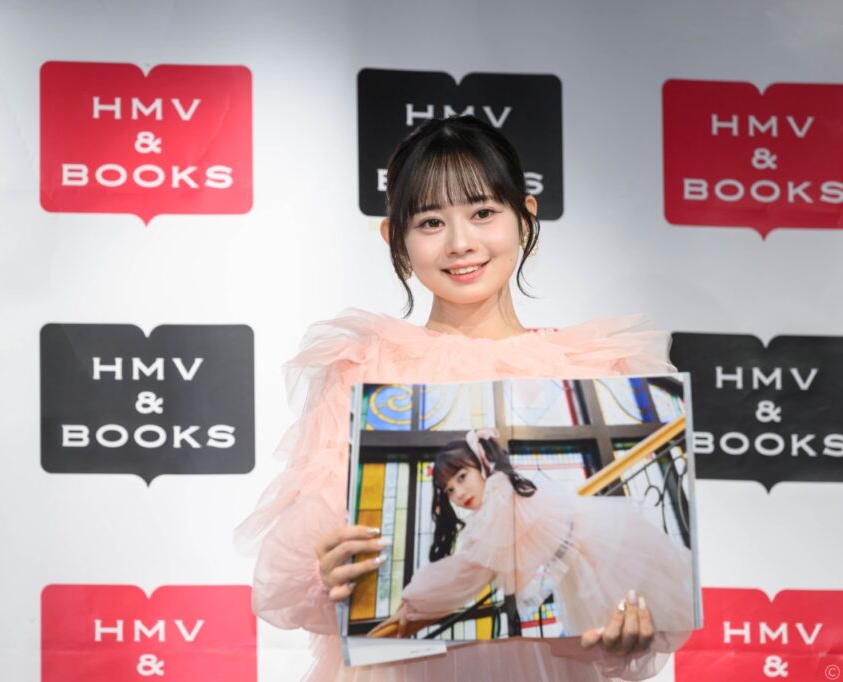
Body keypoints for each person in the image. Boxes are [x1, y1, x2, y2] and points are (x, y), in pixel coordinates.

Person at [234, 115, 688, 680]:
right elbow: (311, 555)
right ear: (394, 237)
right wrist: (328, 570)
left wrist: (624, 631)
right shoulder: (364, 370)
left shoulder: (595, 372)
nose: (460, 243)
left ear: (525, 215)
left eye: (483, 213)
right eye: (430, 222)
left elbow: (622, 601)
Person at [371, 429, 694, 644]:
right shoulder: (491, 509)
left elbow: (470, 570)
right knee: (623, 630)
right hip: (575, 563)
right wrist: (416, 604)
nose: (458, 492)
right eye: (449, 490)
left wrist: (417, 602)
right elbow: (471, 568)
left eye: (462, 476)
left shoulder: (500, 494)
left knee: (650, 611)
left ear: (482, 467)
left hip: (597, 547)